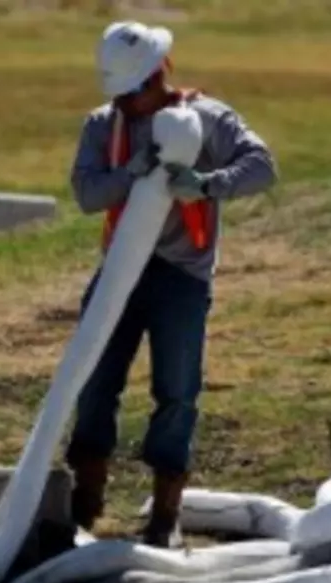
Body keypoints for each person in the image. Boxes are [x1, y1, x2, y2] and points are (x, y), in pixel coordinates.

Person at [65, 20, 278, 547]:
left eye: (138, 90)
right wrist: (130, 174)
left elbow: (262, 166)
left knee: (177, 391)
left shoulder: (206, 119)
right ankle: (83, 502)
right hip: (121, 270)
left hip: (181, 276)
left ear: (162, 73)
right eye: (122, 94)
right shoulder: (103, 125)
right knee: (93, 381)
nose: (130, 104)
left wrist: (208, 186)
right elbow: (88, 194)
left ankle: (165, 513)